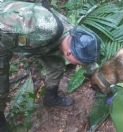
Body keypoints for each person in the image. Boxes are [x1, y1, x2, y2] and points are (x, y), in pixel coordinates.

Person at [0, 0, 101, 131]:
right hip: (3, 36)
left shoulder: (74, 35)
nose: (81, 65)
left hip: (40, 44)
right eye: (80, 63)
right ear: (69, 53)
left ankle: (50, 97)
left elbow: (90, 63)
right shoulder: (39, 27)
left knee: (56, 66)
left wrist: (102, 80)